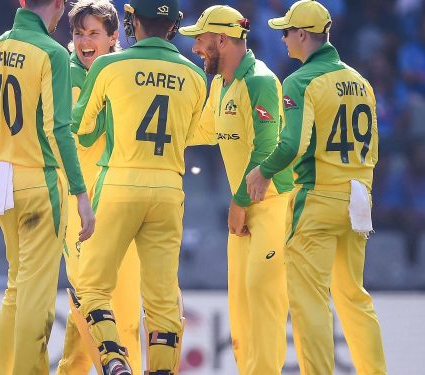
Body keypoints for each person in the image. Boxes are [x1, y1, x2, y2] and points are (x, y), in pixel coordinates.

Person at [245, 1, 387, 373]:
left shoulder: (300, 81)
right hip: (358, 198)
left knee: (310, 302)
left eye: (287, 31)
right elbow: (374, 147)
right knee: (354, 297)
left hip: (318, 198)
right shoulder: (360, 81)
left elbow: (292, 144)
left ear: (303, 35)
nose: (283, 37)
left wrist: (263, 171)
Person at [71, 0, 207, 373]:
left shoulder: (109, 65)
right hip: (168, 190)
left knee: (92, 286)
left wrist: (114, 122)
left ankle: (115, 360)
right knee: (163, 299)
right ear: (175, 26)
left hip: (119, 182)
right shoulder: (195, 76)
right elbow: (190, 134)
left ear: (130, 22)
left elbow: (80, 130)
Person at [0, 0, 95, 373]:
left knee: (16, 290)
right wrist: (81, 194)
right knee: (36, 300)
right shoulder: (51, 52)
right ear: (57, 4)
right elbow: (58, 129)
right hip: (39, 180)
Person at [180, 5, 293, 374]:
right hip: (247, 209)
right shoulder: (221, 83)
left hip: (272, 203)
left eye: (200, 39)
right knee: (242, 308)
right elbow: (205, 131)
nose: (195, 46)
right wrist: (164, 138)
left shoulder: (260, 80)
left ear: (222, 40)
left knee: (264, 302)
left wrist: (239, 202)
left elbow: (267, 147)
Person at [56, 1, 142, 374]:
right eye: (78, 33)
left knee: (122, 322)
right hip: (79, 210)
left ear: (113, 37)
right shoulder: (61, 73)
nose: (84, 42)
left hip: (123, 205)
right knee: (95, 311)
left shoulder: (130, 75)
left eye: (94, 33)